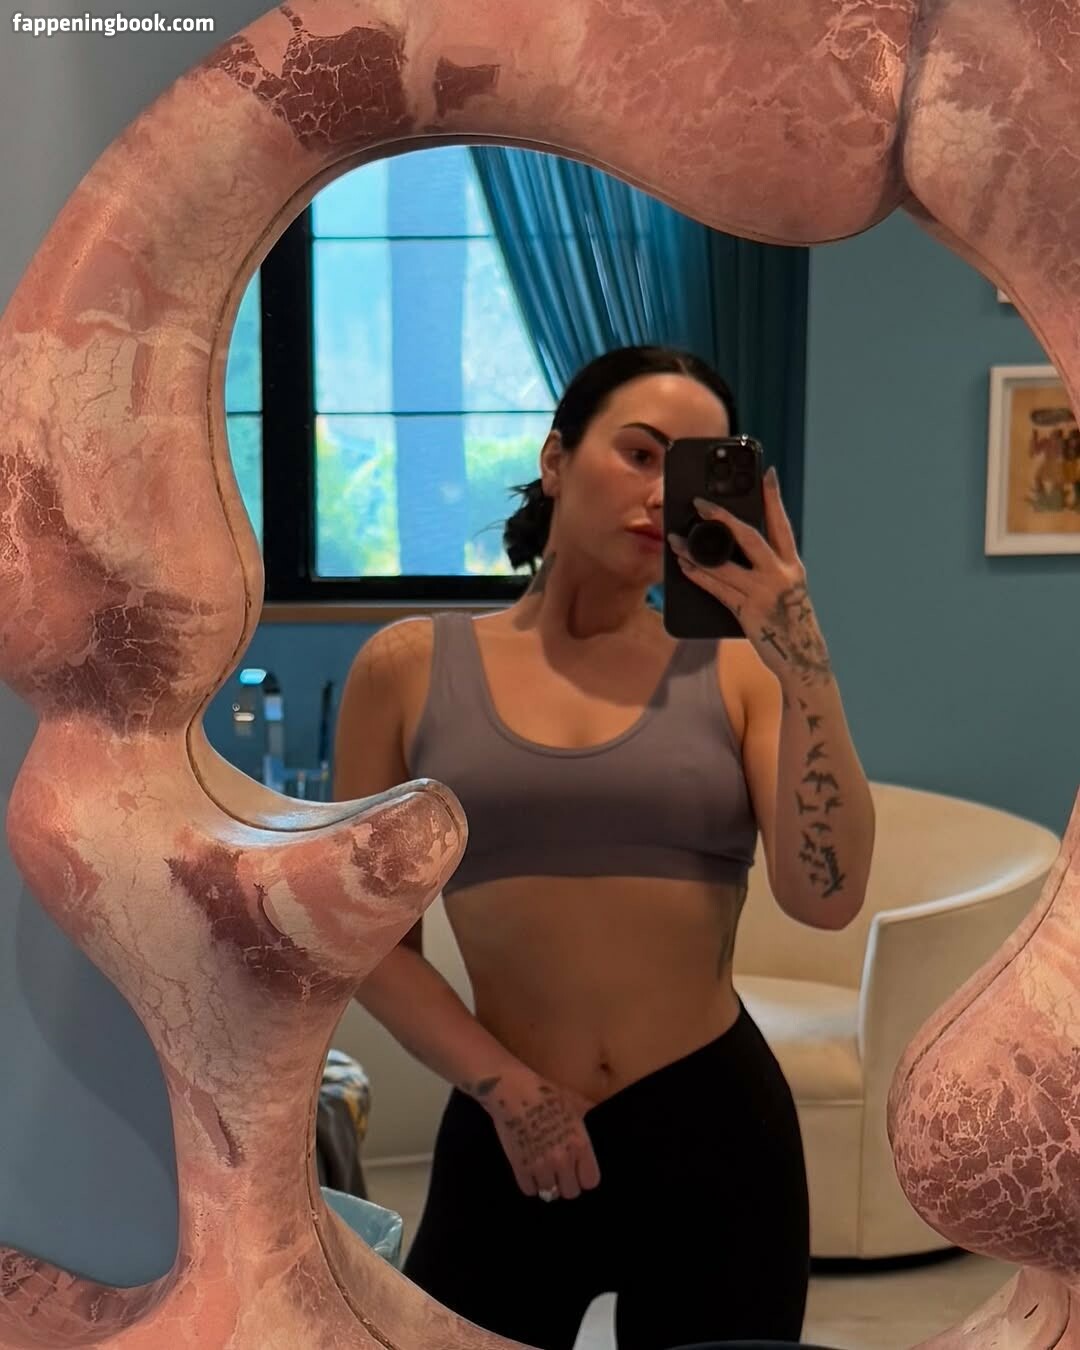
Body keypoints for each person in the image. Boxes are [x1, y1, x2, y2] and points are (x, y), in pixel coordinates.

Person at [336, 346, 876, 1349]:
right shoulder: (407, 668)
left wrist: (802, 654)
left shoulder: (738, 671)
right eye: (639, 453)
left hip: (717, 1128)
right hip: (509, 1123)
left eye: (691, 469)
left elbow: (826, 897)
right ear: (555, 458)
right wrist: (506, 1090)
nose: (660, 495)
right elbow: (366, 943)